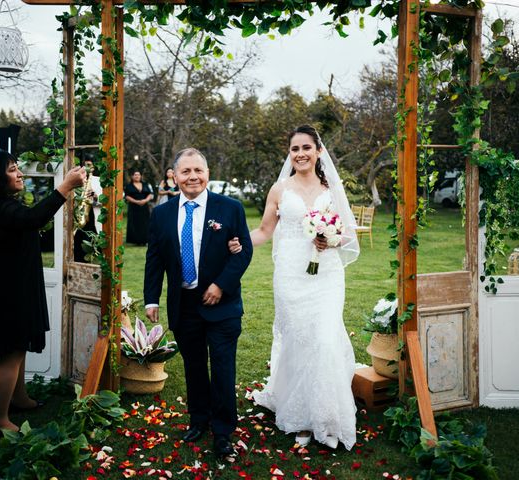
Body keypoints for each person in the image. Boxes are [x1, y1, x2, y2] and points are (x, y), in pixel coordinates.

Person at [231, 125, 360, 450]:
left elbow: (346, 235)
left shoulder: (332, 188)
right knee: (298, 340)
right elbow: (263, 231)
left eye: (306, 147)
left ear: (318, 151)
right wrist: (237, 241)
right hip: (290, 276)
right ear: (289, 154)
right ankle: (300, 417)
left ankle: (328, 418)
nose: (300, 153)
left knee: (324, 339)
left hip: (326, 275)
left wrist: (329, 239)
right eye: (294, 149)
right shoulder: (279, 189)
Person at [0, 150, 85, 438]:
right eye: (12, 169)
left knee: (14, 348)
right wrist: (65, 186)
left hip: (1, 288)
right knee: (12, 352)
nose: (19, 174)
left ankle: (19, 398)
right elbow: (33, 218)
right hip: (7, 292)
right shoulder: (0, 208)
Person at [143, 148, 253, 457]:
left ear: (207, 173)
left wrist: (221, 285)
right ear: (174, 176)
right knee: (193, 366)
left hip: (223, 304)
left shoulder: (230, 208)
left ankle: (222, 431)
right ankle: (199, 419)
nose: (193, 176)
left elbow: (243, 252)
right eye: (186, 171)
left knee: (222, 368)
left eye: (198, 170)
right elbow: (154, 259)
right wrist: (152, 298)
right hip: (185, 304)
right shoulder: (161, 213)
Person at [74, 158, 103, 262]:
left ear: (93, 168)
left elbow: (104, 201)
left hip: (93, 216)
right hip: (79, 216)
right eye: (84, 164)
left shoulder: (98, 181)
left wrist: (95, 198)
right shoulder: (76, 180)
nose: (86, 167)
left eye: (89, 165)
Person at [124, 169, 154, 245]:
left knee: (145, 223)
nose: (137, 176)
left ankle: (145, 240)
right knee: (135, 223)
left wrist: (145, 200)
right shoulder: (129, 186)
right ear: (132, 176)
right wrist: (136, 201)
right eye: (135, 175)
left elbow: (150, 194)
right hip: (134, 207)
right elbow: (127, 196)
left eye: (138, 175)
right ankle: (136, 241)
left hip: (144, 206)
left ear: (141, 176)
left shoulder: (145, 184)